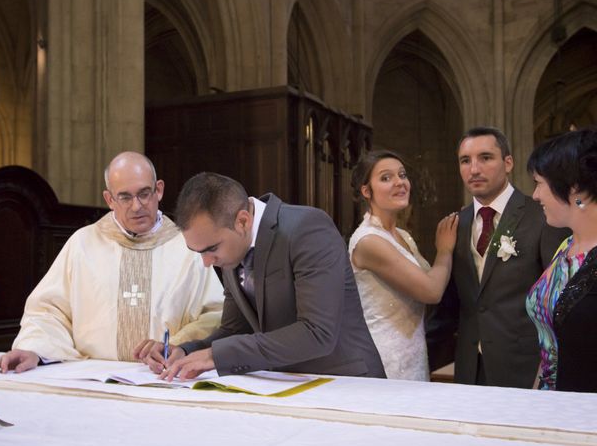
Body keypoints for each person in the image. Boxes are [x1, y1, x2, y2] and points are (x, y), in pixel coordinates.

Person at [0, 152, 223, 374]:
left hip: (164, 377)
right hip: (93, 378)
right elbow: (49, 311)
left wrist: (177, 345)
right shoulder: (83, 244)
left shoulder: (187, 246)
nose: (137, 206)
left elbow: (216, 314)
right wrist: (33, 349)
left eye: (144, 193)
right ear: (109, 199)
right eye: (125, 197)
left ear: (158, 190)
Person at [137, 172, 386, 380]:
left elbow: (317, 333)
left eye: (211, 249)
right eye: (198, 252)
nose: (206, 262)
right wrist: (186, 350)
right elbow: (236, 329)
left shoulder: (308, 229)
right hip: (287, 385)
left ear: (243, 221)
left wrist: (215, 356)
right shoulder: (231, 247)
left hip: (344, 383)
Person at [430, 126, 569, 388]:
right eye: (465, 160)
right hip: (470, 367)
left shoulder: (541, 217)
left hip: (525, 367)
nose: (474, 169)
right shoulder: (455, 224)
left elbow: (557, 300)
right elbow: (449, 306)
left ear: (508, 163)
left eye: (485, 157)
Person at [348, 150, 458, 381]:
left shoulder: (402, 235)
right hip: (387, 358)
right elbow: (431, 291)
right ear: (366, 191)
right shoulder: (369, 241)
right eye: (386, 178)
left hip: (414, 351)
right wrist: (445, 250)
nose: (400, 182)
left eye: (402, 175)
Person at [526, 127, 597, 392]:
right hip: (551, 403)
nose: (535, 195)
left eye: (539, 183)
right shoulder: (565, 247)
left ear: (573, 186)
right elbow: (549, 346)